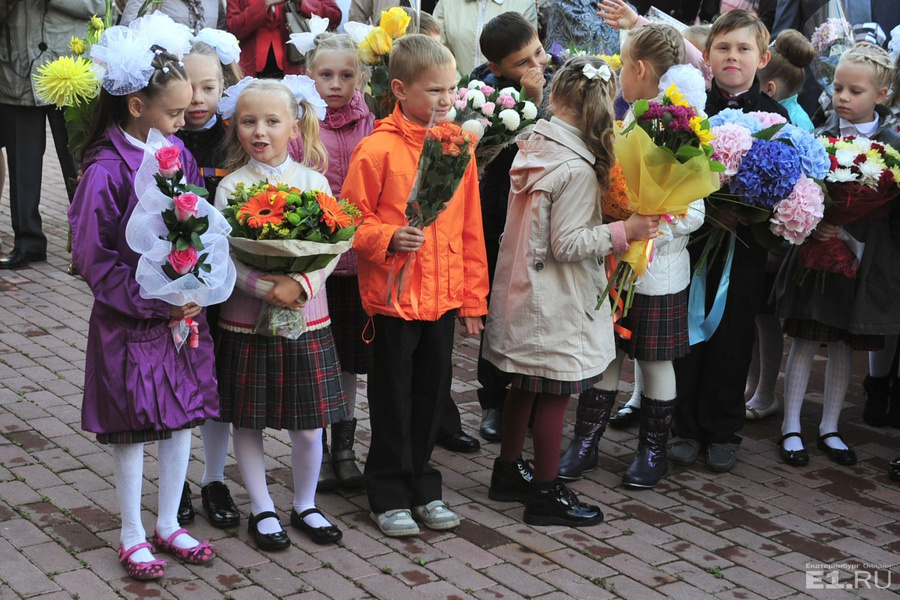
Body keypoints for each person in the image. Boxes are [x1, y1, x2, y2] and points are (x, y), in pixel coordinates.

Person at [68, 25, 218, 580]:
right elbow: (94, 256)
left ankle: (169, 522)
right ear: (136, 105)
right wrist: (154, 302)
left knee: (181, 418)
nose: (186, 120)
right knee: (132, 427)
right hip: (130, 321)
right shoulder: (105, 171)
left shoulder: (176, 155)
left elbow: (198, 227)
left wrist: (194, 288)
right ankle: (131, 531)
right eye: (175, 112)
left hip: (179, 315)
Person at [484, 55, 661, 526]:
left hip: (525, 289)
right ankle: (544, 492)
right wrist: (627, 229)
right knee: (556, 394)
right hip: (554, 299)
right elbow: (567, 245)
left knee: (524, 383)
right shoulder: (578, 168)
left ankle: (507, 470)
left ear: (557, 96)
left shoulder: (535, 142)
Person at [342, 35, 490, 537]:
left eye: (452, 89)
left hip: (444, 298)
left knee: (433, 396)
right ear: (400, 89)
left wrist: (473, 299)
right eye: (435, 91)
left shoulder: (457, 146)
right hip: (394, 300)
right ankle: (386, 491)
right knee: (393, 397)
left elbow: (471, 229)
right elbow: (348, 221)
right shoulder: (376, 148)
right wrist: (388, 236)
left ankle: (424, 485)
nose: (447, 100)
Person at [558, 25, 706, 489]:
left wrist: (655, 220)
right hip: (615, 264)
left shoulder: (679, 129)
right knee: (607, 356)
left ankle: (652, 450)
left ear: (640, 69)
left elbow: (696, 210)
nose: (620, 73)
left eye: (623, 64)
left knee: (656, 360)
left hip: (659, 271)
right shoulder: (627, 124)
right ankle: (585, 443)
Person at [214, 78, 345, 549]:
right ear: (235, 127)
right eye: (249, 122)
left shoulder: (313, 181)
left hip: (307, 317)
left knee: (308, 425)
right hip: (247, 318)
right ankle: (262, 507)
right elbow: (226, 254)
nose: (260, 131)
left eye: (272, 121)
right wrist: (261, 286)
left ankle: (305, 503)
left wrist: (302, 283)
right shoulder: (232, 187)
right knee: (247, 420)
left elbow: (331, 245)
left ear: (294, 125)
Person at [671, 9, 789, 473]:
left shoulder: (775, 115)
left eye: (743, 48)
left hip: (743, 245)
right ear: (708, 54)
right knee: (687, 332)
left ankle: (723, 429)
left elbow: (785, 183)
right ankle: (683, 428)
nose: (732, 57)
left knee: (733, 335)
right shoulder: (690, 105)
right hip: (695, 237)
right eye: (723, 48)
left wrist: (749, 209)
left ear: (763, 57)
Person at [773, 43, 900, 467]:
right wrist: (815, 222)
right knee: (808, 337)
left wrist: (851, 230)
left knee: (844, 342)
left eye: (855, 91)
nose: (843, 97)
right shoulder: (821, 139)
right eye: (838, 88)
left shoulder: (892, 149)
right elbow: (799, 190)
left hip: (863, 259)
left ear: (881, 95)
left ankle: (830, 427)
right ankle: (791, 424)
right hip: (816, 254)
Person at [288, 33, 374, 491]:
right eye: (325, 75)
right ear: (309, 76)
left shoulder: (370, 123)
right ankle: (315, 447)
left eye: (346, 75)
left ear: (359, 77)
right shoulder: (301, 124)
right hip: (316, 267)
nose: (335, 84)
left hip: (357, 264)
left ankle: (344, 445)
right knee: (316, 359)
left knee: (348, 364)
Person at [463, 12, 552, 443]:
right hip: (496, 218)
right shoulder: (482, 98)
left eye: (537, 52)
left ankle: (532, 397)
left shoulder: (556, 87)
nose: (536, 65)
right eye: (522, 63)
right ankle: (494, 401)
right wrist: (525, 105)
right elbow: (489, 161)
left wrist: (540, 101)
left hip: (544, 223)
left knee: (535, 310)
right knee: (498, 309)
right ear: (496, 69)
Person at [173, 31, 244, 529]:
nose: (198, 100)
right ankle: (173, 483)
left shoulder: (238, 135)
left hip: (227, 286)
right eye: (188, 88)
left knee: (220, 382)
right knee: (175, 382)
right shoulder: (164, 138)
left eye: (210, 88)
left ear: (226, 87)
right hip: (176, 288)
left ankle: (214, 478)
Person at [0, 0, 103, 269]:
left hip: (70, 71)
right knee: (22, 163)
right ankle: (27, 242)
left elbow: (98, 6)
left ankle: (88, 243)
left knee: (78, 160)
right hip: (17, 69)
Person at [227, 0, 342, 78]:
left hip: (297, 66)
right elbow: (233, 28)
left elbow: (334, 17)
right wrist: (265, 4)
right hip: (251, 67)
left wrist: (302, 2)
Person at [433, 0, 539, 78]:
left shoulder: (524, 3)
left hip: (506, 95)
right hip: (453, 92)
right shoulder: (447, 3)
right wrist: (460, 86)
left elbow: (528, 51)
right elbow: (436, 50)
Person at [544, 0, 620, 55]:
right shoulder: (563, 4)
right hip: (577, 72)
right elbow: (555, 52)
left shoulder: (614, 3)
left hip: (617, 70)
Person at [120, 0, 226, 30]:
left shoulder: (216, 2)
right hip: (167, 74)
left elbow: (220, 29)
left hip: (205, 73)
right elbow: (132, 27)